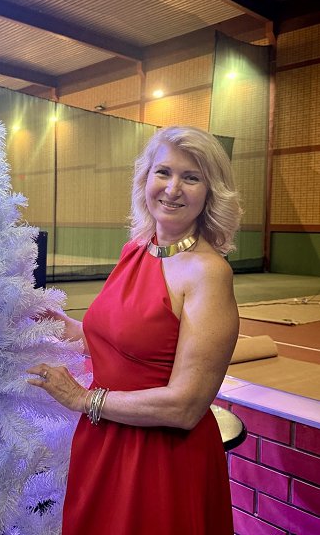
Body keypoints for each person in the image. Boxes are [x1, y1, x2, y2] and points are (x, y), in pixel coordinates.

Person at [27, 125, 242, 534]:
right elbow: (121, 342)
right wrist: (64, 326)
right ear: (145, 179)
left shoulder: (208, 273)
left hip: (160, 459)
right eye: (163, 172)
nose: (172, 189)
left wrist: (83, 398)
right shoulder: (136, 250)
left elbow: (186, 406)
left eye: (191, 177)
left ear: (210, 193)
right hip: (103, 441)